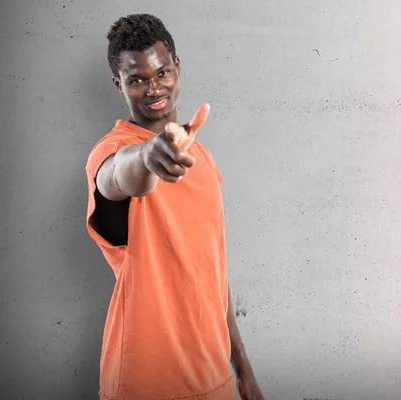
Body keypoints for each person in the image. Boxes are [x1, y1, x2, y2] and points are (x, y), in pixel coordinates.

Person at [84, 13, 264, 400]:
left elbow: (214, 271)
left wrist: (243, 368)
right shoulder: (111, 151)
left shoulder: (204, 159)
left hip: (213, 375)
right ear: (119, 85)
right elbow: (117, 177)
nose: (153, 89)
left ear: (177, 68)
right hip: (145, 379)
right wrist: (149, 154)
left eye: (161, 72)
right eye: (137, 80)